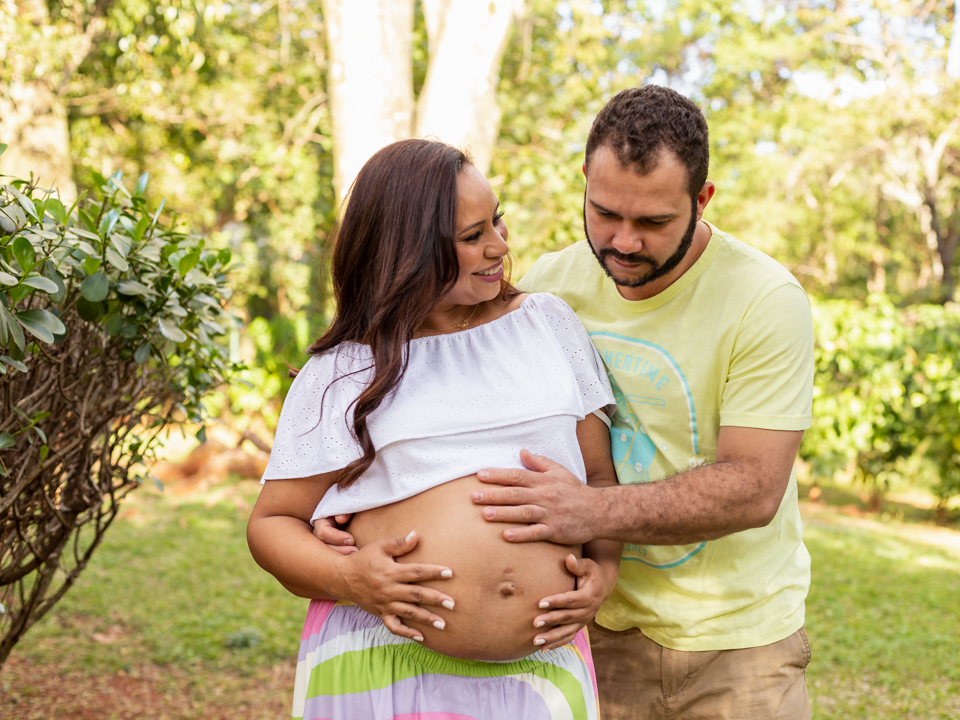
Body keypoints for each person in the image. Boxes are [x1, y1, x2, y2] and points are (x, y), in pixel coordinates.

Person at [466, 85, 816, 719]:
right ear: (584, 181)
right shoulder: (549, 287)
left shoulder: (765, 300)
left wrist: (588, 510)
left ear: (702, 200)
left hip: (739, 643)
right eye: (604, 213)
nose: (623, 242)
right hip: (591, 630)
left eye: (653, 222)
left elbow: (755, 487)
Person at [247, 138, 622, 720]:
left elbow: (598, 480)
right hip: (383, 667)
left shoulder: (548, 325)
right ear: (408, 252)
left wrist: (604, 573)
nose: (499, 245)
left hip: (540, 673)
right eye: (472, 237)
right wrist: (349, 575)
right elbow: (271, 524)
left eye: (496, 221)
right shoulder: (348, 369)